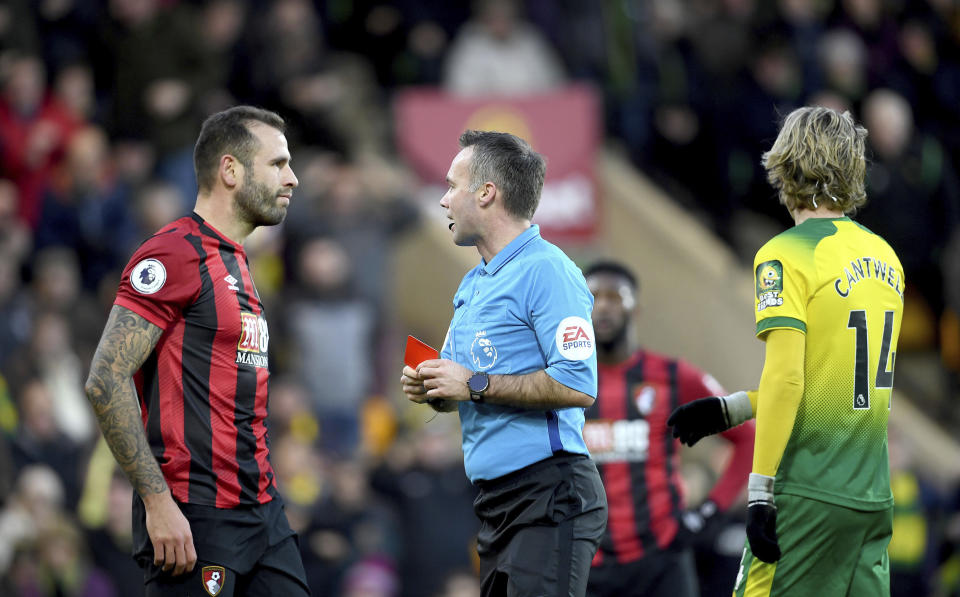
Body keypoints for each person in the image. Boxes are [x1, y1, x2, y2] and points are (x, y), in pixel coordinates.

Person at [667, 106, 904, 595]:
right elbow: (830, 383)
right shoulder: (887, 258)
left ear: (785, 164)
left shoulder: (784, 254)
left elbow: (788, 381)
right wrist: (730, 409)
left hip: (806, 492)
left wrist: (760, 494)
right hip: (871, 496)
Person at [84, 106, 310, 596]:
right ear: (230, 170)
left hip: (262, 513)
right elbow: (105, 377)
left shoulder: (238, 263)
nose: (292, 178)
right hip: (194, 519)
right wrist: (157, 502)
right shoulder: (174, 254)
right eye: (277, 164)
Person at [400, 130, 607, 597]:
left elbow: (578, 386)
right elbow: (463, 390)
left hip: (551, 492)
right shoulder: (473, 283)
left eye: (452, 185)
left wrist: (471, 383)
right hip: (496, 503)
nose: (443, 199)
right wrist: (433, 387)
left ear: (486, 192)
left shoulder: (548, 270)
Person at [582, 260, 754, 597]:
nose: (602, 305)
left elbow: (747, 438)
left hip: (661, 563)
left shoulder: (675, 377)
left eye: (615, 296)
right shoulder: (560, 384)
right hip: (588, 566)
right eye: (592, 297)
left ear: (636, 308)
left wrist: (710, 513)